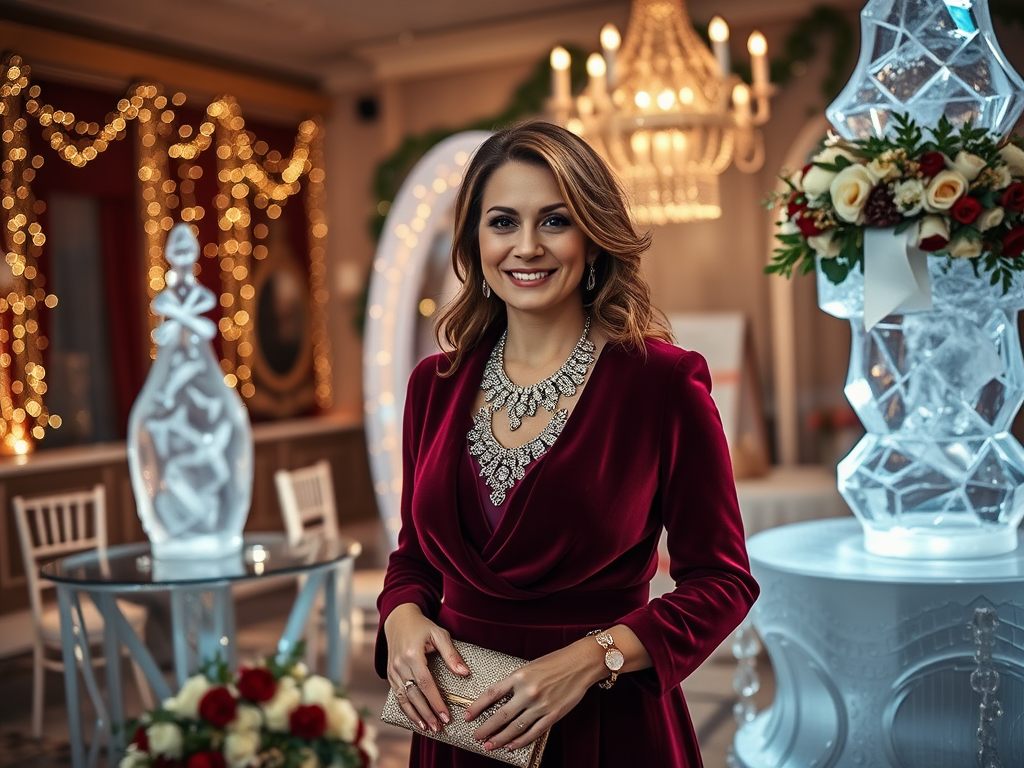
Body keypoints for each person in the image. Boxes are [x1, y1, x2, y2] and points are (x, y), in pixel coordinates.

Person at [375, 120, 759, 767]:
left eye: (554, 221)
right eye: (502, 222)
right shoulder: (431, 386)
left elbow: (722, 581)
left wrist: (593, 658)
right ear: (473, 239)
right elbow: (416, 555)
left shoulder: (662, 382)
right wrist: (401, 617)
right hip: (461, 726)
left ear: (592, 235)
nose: (526, 247)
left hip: (608, 728)